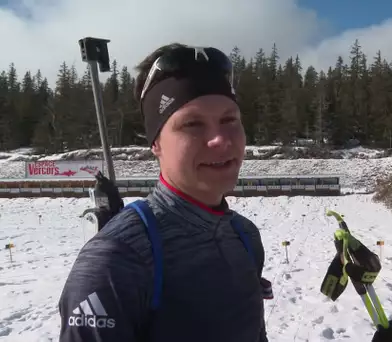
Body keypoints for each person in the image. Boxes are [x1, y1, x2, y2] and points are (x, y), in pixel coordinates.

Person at [58, 44, 270, 342]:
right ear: (155, 142)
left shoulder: (245, 236)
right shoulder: (117, 259)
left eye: (229, 120)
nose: (221, 139)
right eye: (193, 124)